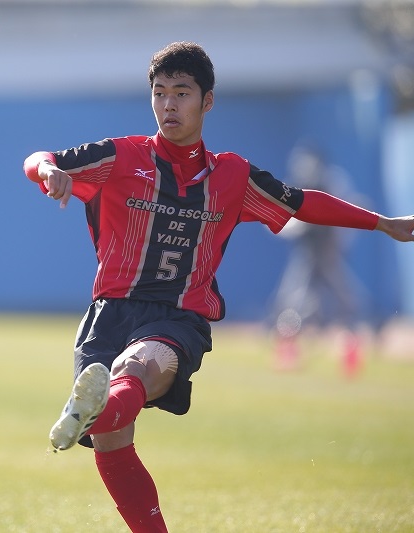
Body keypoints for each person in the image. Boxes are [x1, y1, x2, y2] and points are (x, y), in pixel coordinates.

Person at [22, 41, 414, 532]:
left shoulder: (233, 176)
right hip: (110, 311)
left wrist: (382, 223)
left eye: (182, 94)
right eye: (160, 93)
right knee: (112, 443)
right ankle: (97, 412)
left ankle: (96, 403)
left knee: (138, 366)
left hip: (178, 316)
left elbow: (301, 203)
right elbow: (39, 159)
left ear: (207, 101)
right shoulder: (120, 156)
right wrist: (49, 171)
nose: (169, 105)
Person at [270, 141, 369, 374]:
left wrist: (337, 241)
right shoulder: (294, 186)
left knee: (346, 303)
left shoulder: (333, 181)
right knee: (292, 303)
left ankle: (350, 353)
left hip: (327, 253)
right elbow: (279, 220)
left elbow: (347, 213)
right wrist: (298, 226)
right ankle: (288, 353)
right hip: (306, 254)